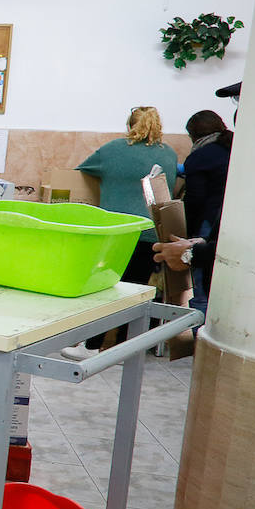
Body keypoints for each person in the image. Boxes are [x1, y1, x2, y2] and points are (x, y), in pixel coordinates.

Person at [61, 106, 181, 360]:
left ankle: (91, 346)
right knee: (134, 290)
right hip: (152, 232)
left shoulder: (113, 149)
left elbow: (85, 168)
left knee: (103, 289)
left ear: (130, 125)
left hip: (119, 232)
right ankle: (123, 348)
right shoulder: (169, 153)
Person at [180, 109, 233, 312]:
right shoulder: (235, 145)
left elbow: (195, 199)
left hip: (209, 221)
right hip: (232, 221)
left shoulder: (200, 157)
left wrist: (188, 233)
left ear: (193, 135)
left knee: (202, 281)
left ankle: (200, 333)